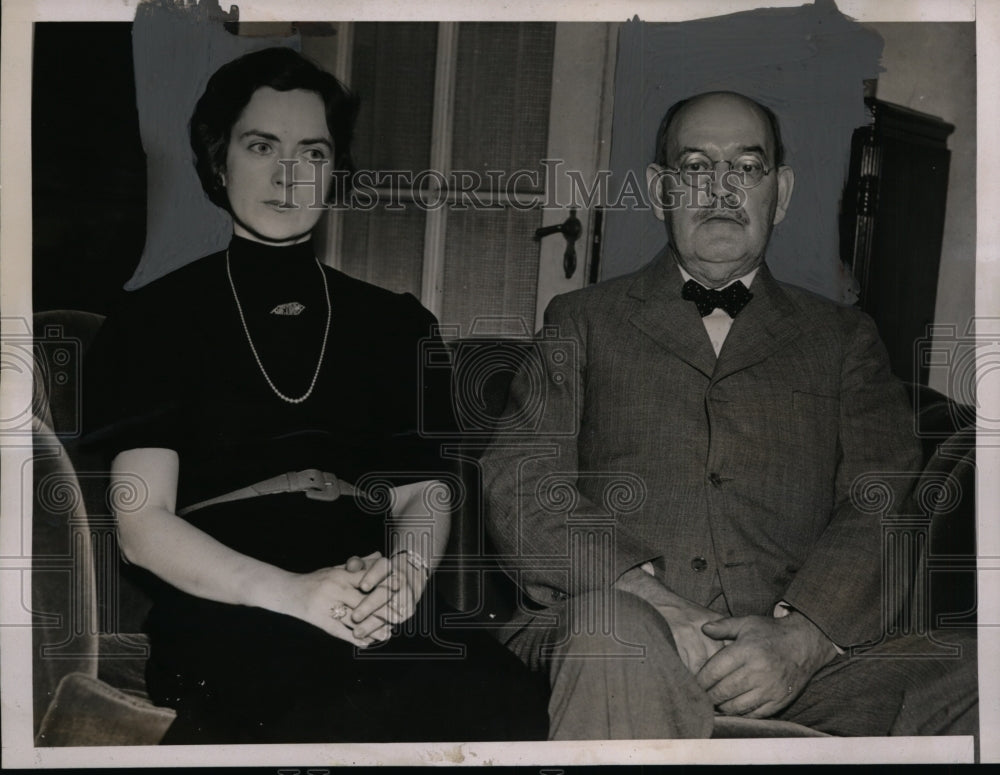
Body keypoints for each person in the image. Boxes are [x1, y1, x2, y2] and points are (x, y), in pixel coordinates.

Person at [83, 46, 547, 744]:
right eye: (261, 145)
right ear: (218, 160)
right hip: (228, 605)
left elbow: (425, 491)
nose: (288, 174)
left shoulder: (395, 323)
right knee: (326, 706)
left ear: (335, 171)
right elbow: (142, 525)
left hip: (368, 598)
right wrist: (295, 594)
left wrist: (403, 582)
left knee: (503, 702)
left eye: (313, 151)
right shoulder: (152, 320)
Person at [481, 91, 977, 740]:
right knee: (613, 633)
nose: (721, 189)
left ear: (782, 191)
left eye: (746, 167)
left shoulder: (844, 338)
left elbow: (880, 497)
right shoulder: (582, 322)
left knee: (981, 667)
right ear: (661, 189)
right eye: (695, 167)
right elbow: (520, 481)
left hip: (800, 672)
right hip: (620, 637)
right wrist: (652, 603)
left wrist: (801, 640)